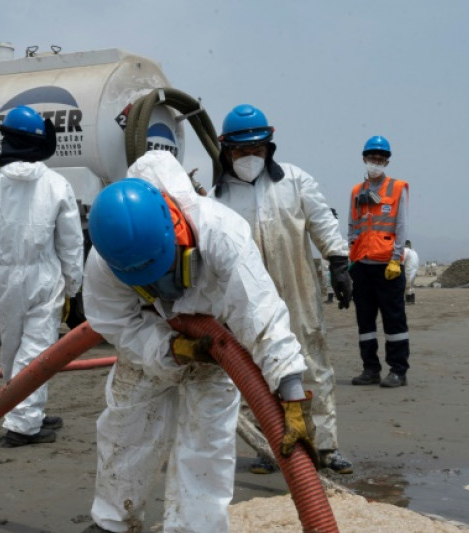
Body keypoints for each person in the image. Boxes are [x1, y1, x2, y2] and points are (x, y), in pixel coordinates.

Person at [81, 151, 315, 533]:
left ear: (176, 231)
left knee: (205, 445)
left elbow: (261, 313)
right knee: (126, 430)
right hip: (149, 343)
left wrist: (289, 388)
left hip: (218, 348)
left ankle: (195, 528)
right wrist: (167, 349)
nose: (164, 287)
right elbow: (117, 324)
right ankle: (113, 522)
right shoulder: (106, 261)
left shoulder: (221, 232)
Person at [211, 104, 354, 474]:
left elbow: (322, 221)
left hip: (298, 292)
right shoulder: (217, 198)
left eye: (256, 149)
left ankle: (325, 446)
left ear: (269, 147)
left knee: (312, 365)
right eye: (242, 150)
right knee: (252, 373)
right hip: (244, 302)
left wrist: (338, 261)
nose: (250, 156)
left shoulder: (294, 181)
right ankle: (267, 448)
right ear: (227, 151)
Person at [0, 105, 84, 448]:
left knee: (14, 349)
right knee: (35, 352)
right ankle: (23, 425)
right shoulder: (56, 184)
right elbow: (71, 241)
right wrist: (72, 285)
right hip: (45, 277)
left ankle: (25, 411)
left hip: (7, 279)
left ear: (6, 139)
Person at [348, 135, 411, 388]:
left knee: (394, 319)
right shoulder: (357, 191)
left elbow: (401, 226)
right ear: (364, 158)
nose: (376, 162)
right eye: (372, 158)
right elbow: (352, 227)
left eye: (380, 158)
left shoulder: (397, 188)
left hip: (387, 266)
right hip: (362, 266)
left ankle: (398, 370)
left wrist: (396, 258)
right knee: (365, 321)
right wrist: (351, 260)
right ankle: (370, 369)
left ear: (387, 162)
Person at [403, 240, 419, 304]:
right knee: (411, 285)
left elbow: (402, 260)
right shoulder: (414, 252)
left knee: (407, 286)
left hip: (408, 270)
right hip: (414, 270)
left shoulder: (405, 250)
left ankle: (408, 300)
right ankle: (412, 300)